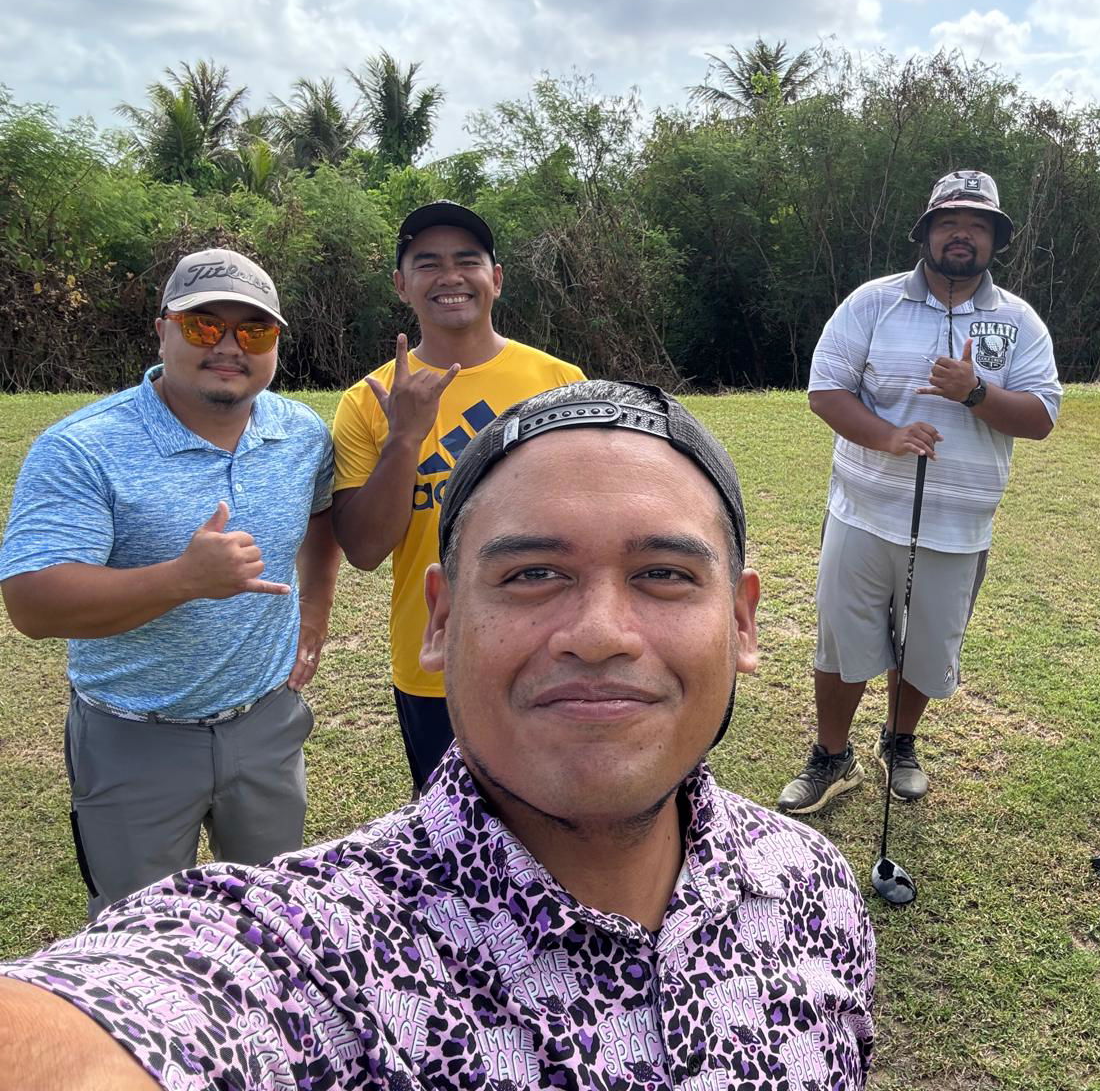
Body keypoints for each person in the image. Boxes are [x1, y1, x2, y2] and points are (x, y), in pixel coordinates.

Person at [0, 379, 877, 1091]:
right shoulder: (322, 961)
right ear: (442, 621)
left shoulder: (814, 893)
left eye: (663, 574)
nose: (602, 632)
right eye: (534, 574)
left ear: (743, 621)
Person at [0, 249, 340, 920]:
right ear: (163, 330)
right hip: (134, 736)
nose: (230, 346)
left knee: (270, 919)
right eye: (205, 325)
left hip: (265, 723)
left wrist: (317, 610)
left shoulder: (300, 432)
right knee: (139, 938)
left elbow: (324, 514)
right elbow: (32, 602)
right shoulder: (84, 448)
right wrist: (182, 579)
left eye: (255, 331)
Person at [779, 170, 1061, 814]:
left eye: (978, 225)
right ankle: (830, 755)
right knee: (843, 642)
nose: (962, 235)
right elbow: (827, 391)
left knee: (926, 646)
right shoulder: (871, 303)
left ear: (995, 240)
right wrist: (887, 436)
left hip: (958, 527)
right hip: (863, 511)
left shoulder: (1018, 321)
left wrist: (976, 392)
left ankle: (899, 742)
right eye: (949, 222)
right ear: (927, 233)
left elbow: (1042, 418)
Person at [332, 201, 583, 794]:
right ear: (401, 285)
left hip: (551, 640)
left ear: (495, 278)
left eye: (467, 260)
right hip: (437, 655)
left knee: (559, 808)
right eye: (428, 263)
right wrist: (404, 438)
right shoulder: (367, 400)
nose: (450, 276)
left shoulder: (559, 383)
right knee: (456, 832)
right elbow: (365, 548)